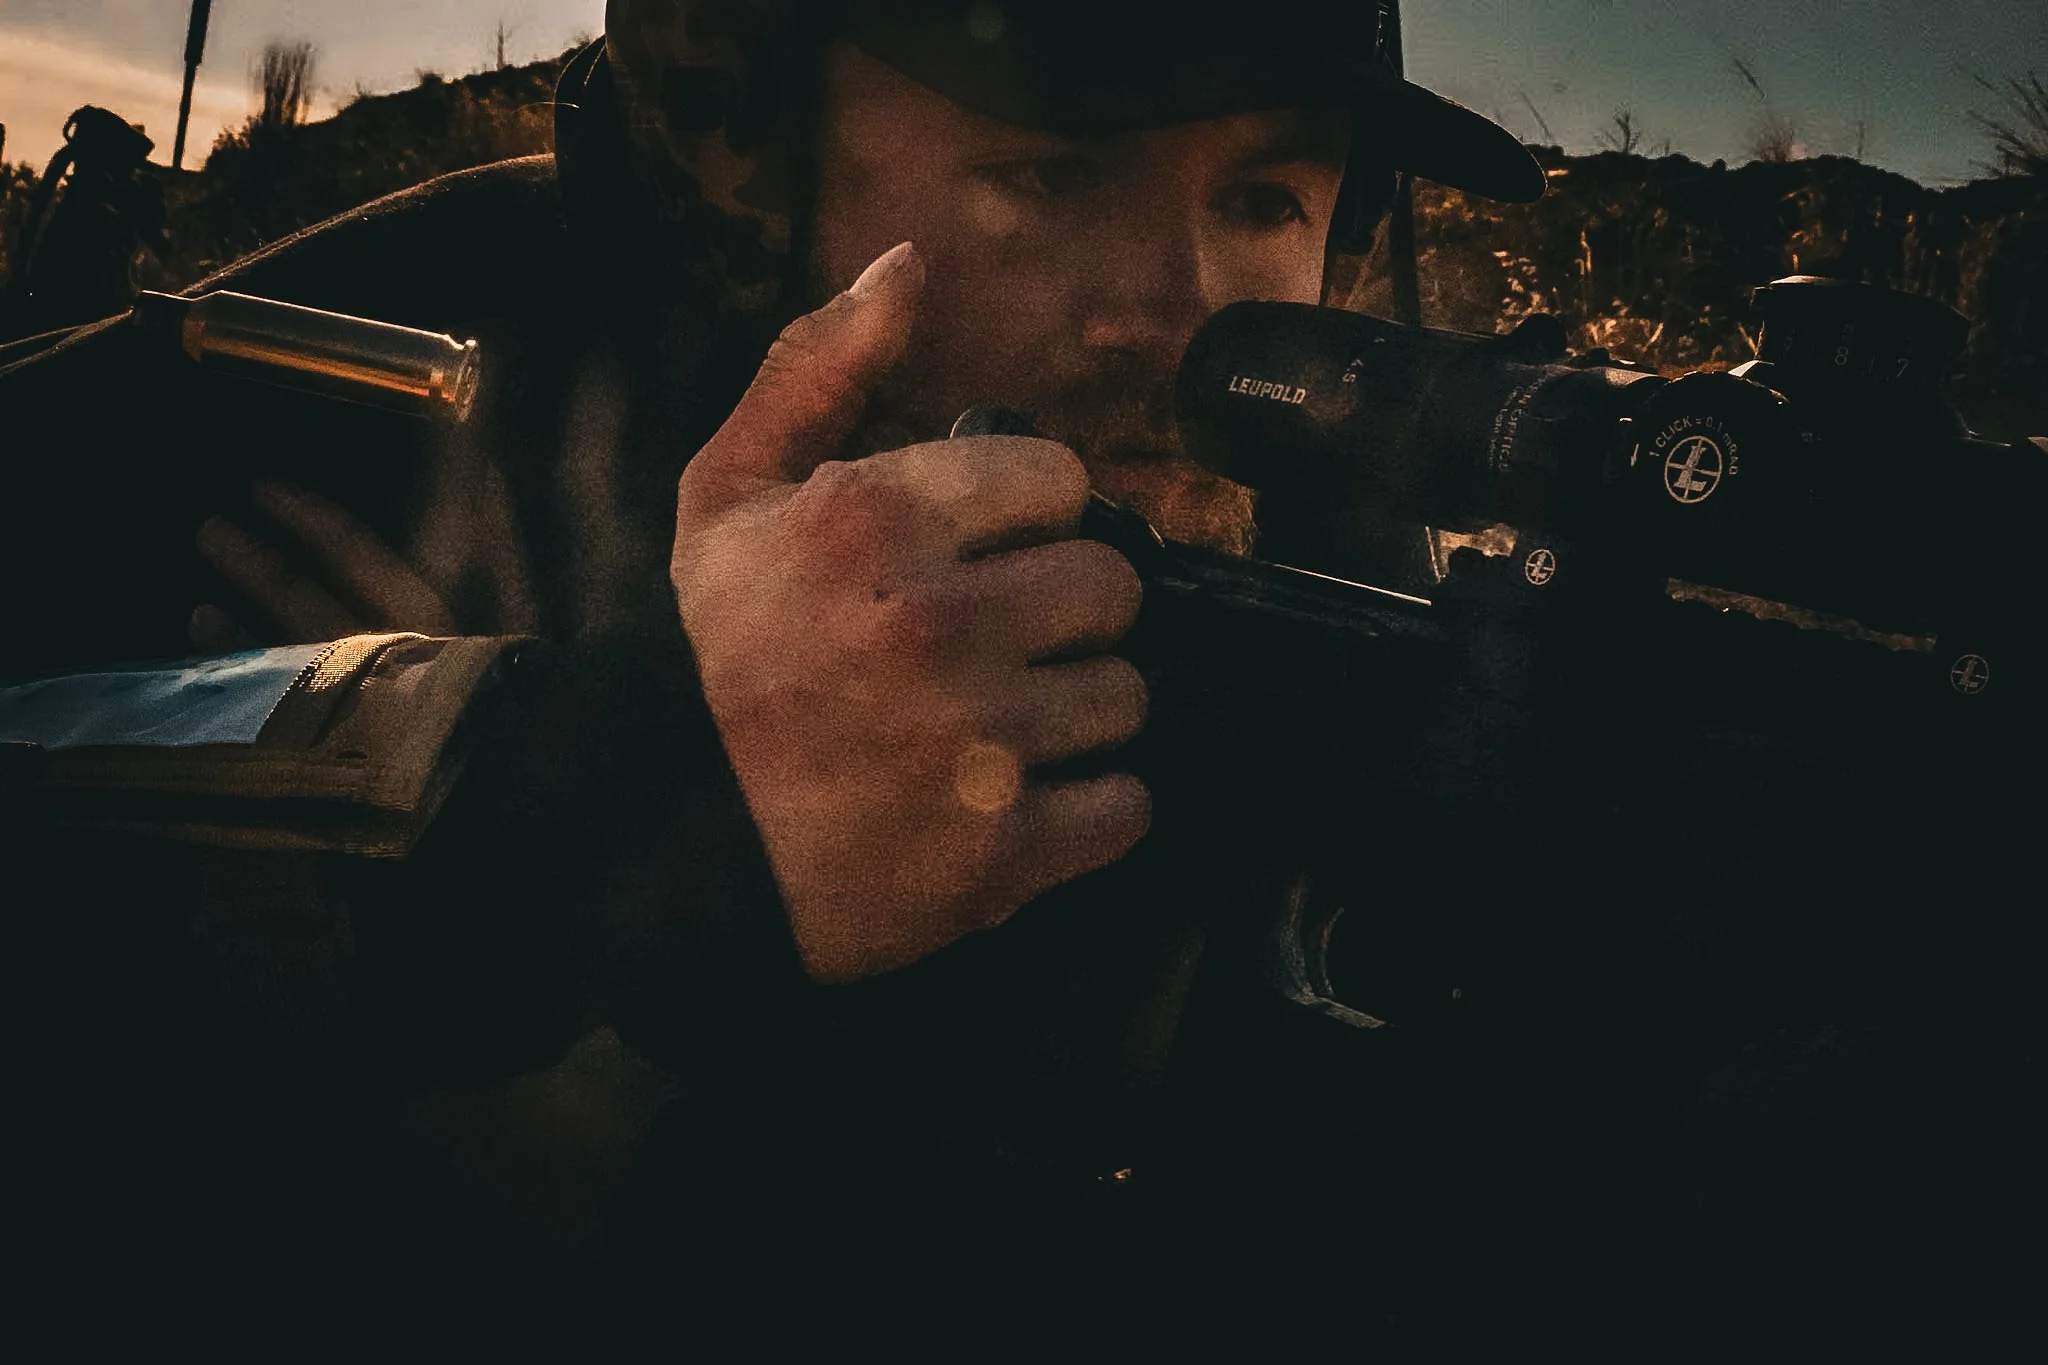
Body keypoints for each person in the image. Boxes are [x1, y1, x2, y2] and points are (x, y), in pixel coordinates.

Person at [4, 0, 2032, 1343]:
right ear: (744, 148)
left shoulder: (1365, 577)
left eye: (1259, 193)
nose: (1166, 313)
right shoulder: (440, 364)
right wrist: (618, 801)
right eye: (1049, 170)